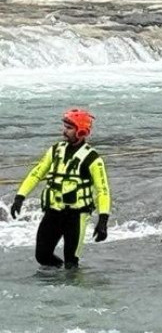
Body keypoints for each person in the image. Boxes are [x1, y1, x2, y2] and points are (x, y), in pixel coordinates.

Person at [9, 108, 110, 269]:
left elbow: (102, 191)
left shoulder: (93, 159)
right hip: (53, 213)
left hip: (76, 216)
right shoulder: (55, 150)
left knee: (71, 265)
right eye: (65, 127)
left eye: (69, 128)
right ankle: (56, 279)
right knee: (42, 256)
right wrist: (20, 197)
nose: (64, 131)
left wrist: (103, 220)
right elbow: (36, 173)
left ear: (81, 131)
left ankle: (71, 282)